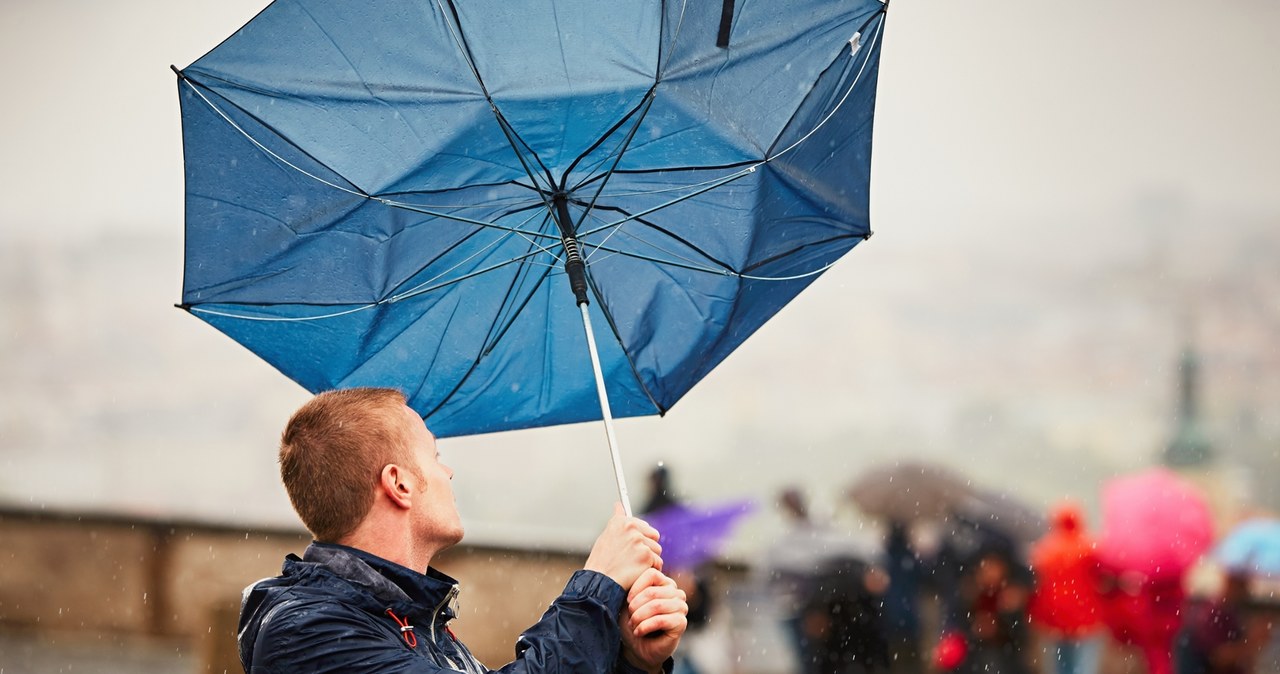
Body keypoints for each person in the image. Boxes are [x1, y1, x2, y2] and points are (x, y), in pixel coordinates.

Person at [238, 387, 688, 674]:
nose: (448, 472)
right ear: (399, 483)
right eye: (434, 456)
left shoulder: (407, 620)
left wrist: (632, 661)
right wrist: (598, 586)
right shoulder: (308, 631)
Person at [1027, 501, 1103, 674]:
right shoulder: (1090, 549)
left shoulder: (1044, 550)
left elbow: (1036, 584)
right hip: (1086, 620)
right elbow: (1103, 579)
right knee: (1083, 667)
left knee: (1059, 666)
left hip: (1055, 621)